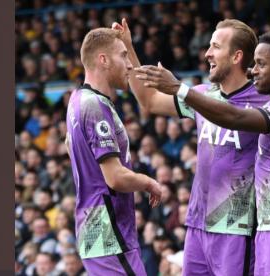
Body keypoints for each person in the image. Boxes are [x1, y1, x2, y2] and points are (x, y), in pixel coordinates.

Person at [135, 29, 270, 275]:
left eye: (260, 64)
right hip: (267, 225)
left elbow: (235, 117)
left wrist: (180, 88)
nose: (253, 70)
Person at [65, 27, 162, 276]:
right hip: (109, 232)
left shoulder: (77, 100)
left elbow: (69, 145)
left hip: (96, 228)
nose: (129, 64)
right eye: (123, 56)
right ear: (103, 60)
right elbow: (116, 177)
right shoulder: (95, 107)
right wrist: (149, 182)